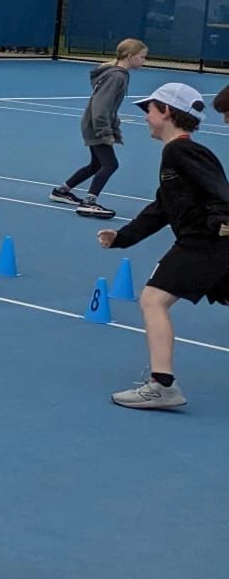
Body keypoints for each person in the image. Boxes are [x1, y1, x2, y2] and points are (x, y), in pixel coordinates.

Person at [95, 82, 229, 410]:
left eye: (150, 110)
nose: (146, 118)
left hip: (204, 244)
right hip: (209, 245)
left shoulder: (182, 150)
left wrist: (222, 219)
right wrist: (122, 237)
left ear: (167, 112)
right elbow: (161, 208)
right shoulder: (176, 155)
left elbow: (221, 191)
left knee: (153, 299)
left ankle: (162, 385)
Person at [52, 38, 148, 219]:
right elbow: (100, 106)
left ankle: (61, 191)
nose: (144, 61)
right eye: (142, 57)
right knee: (110, 164)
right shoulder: (116, 76)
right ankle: (89, 202)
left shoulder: (118, 74)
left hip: (95, 123)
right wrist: (105, 130)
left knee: (96, 164)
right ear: (130, 56)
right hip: (96, 125)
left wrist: (114, 121)